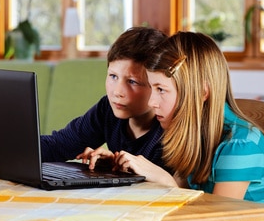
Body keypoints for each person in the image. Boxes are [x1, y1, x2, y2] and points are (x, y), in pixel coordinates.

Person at [115, 31, 264, 221]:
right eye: (152, 88)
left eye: (161, 89)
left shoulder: (241, 144)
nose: (152, 102)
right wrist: (128, 169)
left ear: (202, 93)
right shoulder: (194, 135)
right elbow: (184, 190)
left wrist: (164, 180)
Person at [41, 26, 170, 172]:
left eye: (132, 82)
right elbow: (58, 146)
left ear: (157, 85)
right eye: (113, 76)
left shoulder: (170, 129)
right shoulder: (108, 109)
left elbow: (172, 188)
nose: (117, 92)